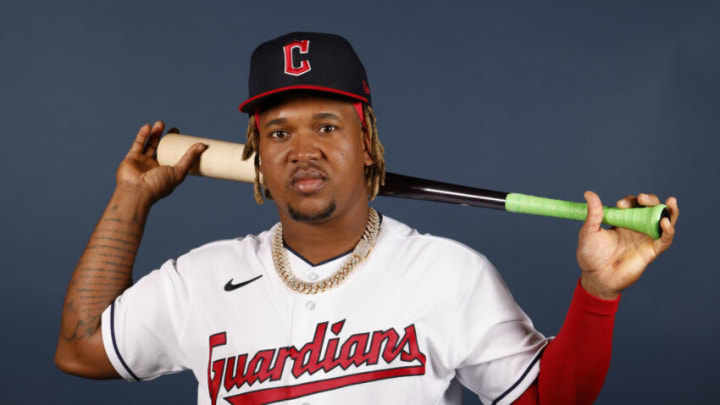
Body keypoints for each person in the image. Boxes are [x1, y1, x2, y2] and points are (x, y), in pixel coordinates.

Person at [55, 32, 679, 405]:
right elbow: (81, 350)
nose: (303, 150)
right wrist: (129, 198)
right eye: (278, 133)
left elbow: (550, 399)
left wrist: (597, 295)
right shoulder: (202, 279)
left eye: (328, 126)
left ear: (368, 143)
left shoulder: (448, 275)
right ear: (256, 158)